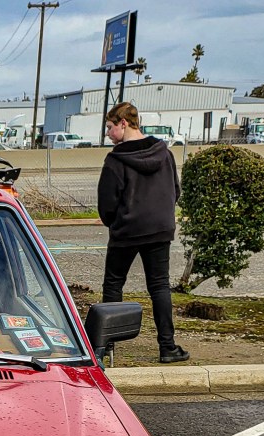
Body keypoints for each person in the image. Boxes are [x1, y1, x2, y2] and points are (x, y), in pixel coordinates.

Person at [97, 101, 189, 363]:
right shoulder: (165, 152)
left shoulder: (116, 160)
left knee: (114, 284)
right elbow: (176, 190)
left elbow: (107, 203)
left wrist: (114, 222)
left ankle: (107, 347)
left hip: (126, 231)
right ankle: (167, 347)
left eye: (110, 127)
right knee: (159, 286)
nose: (108, 133)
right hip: (159, 229)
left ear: (123, 124)